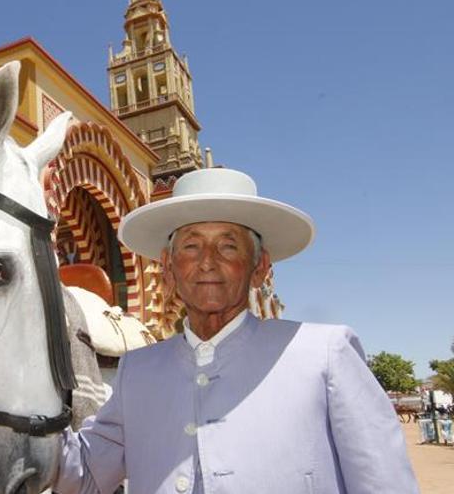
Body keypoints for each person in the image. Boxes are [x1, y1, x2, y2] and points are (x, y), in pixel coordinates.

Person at [54, 168, 418, 493]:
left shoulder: (323, 355)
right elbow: (84, 474)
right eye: (191, 246)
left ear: (259, 268)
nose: (207, 261)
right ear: (168, 268)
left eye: (228, 246)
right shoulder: (139, 371)